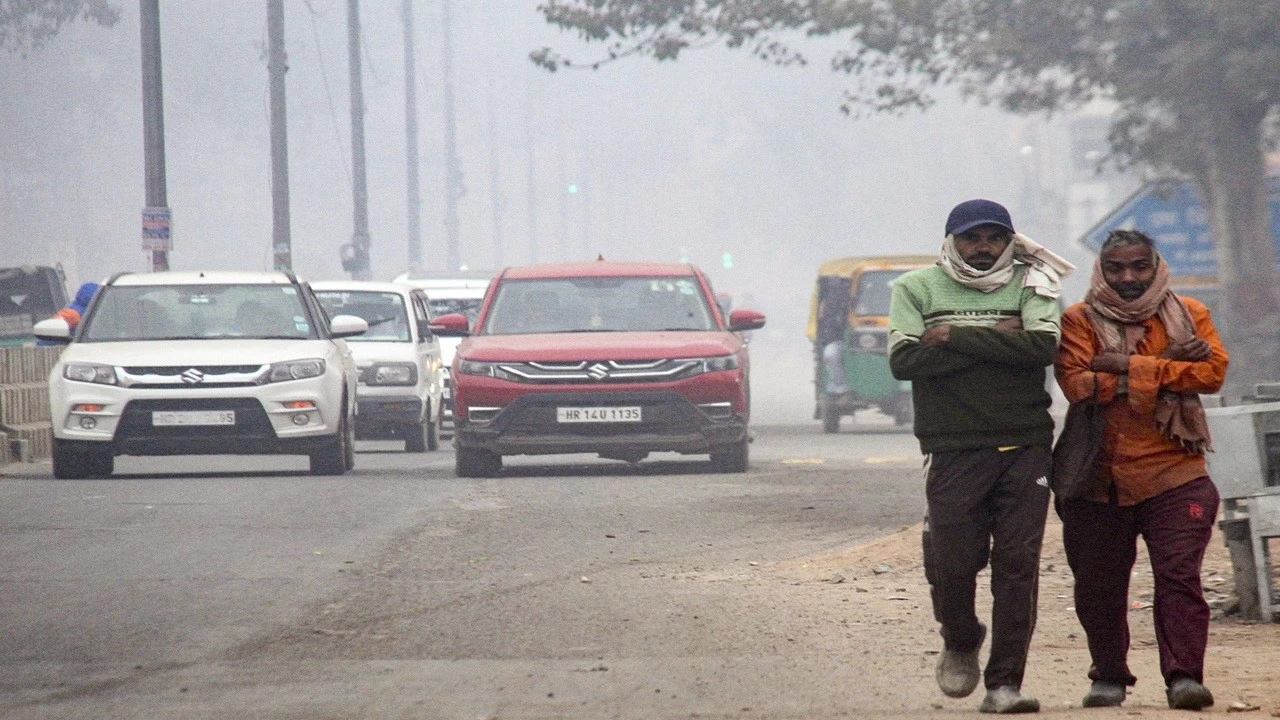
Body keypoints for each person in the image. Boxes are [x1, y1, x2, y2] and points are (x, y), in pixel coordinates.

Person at [888, 198, 1074, 714]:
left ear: (1010, 241)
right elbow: (905, 361)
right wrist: (997, 339)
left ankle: (1005, 684)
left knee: (1018, 565)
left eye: (995, 237)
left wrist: (950, 336)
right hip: (951, 446)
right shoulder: (916, 287)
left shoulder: (1033, 283)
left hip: (1025, 444)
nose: (984, 247)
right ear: (952, 241)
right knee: (954, 562)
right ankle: (962, 636)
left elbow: (1041, 349)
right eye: (972, 237)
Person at [1054, 229, 1228, 711]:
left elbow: (1212, 374)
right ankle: (1109, 675)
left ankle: (1184, 678)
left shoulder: (1190, 315)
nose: (1127, 277)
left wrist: (1121, 368)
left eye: (1138, 267)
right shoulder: (1079, 319)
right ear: (1101, 270)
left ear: (1156, 267)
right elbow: (1076, 384)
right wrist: (1167, 363)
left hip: (1177, 471)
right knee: (1098, 583)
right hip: (1099, 475)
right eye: (1116, 268)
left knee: (1179, 577)